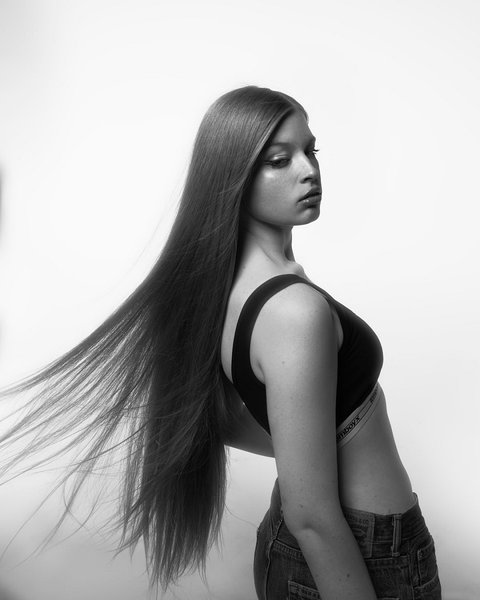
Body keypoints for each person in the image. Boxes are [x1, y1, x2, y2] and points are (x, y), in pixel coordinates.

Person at [0, 86, 441, 599]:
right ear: (234, 175)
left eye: (310, 150)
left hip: (323, 547)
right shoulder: (292, 311)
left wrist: (312, 443)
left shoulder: (234, 290)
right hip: (361, 552)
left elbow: (219, 415)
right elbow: (312, 518)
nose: (309, 171)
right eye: (279, 160)